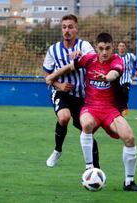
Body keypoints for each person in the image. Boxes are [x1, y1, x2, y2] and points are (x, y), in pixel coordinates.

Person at [46, 32, 137, 192]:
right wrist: (52, 76)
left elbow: (115, 73)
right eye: (101, 48)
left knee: (129, 137)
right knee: (86, 124)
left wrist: (106, 77)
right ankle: (89, 169)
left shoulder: (117, 60)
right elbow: (71, 67)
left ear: (112, 48)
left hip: (110, 110)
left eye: (107, 48)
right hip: (90, 107)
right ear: (96, 48)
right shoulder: (89, 59)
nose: (104, 52)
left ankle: (129, 182)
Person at [42, 14, 100, 168]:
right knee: (63, 118)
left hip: (82, 97)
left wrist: (81, 55)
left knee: (87, 130)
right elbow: (47, 76)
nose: (67, 30)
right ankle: (57, 150)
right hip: (62, 93)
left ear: (76, 29)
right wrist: (59, 85)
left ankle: (95, 170)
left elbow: (94, 58)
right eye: (64, 27)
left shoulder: (84, 45)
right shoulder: (53, 50)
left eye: (70, 27)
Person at [116, 41, 136, 115]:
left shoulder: (130, 56)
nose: (121, 47)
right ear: (118, 47)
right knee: (118, 94)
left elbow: (136, 62)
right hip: (117, 78)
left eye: (123, 46)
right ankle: (120, 108)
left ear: (125, 47)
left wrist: (133, 71)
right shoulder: (115, 56)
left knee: (125, 91)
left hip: (127, 77)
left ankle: (125, 105)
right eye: (120, 46)